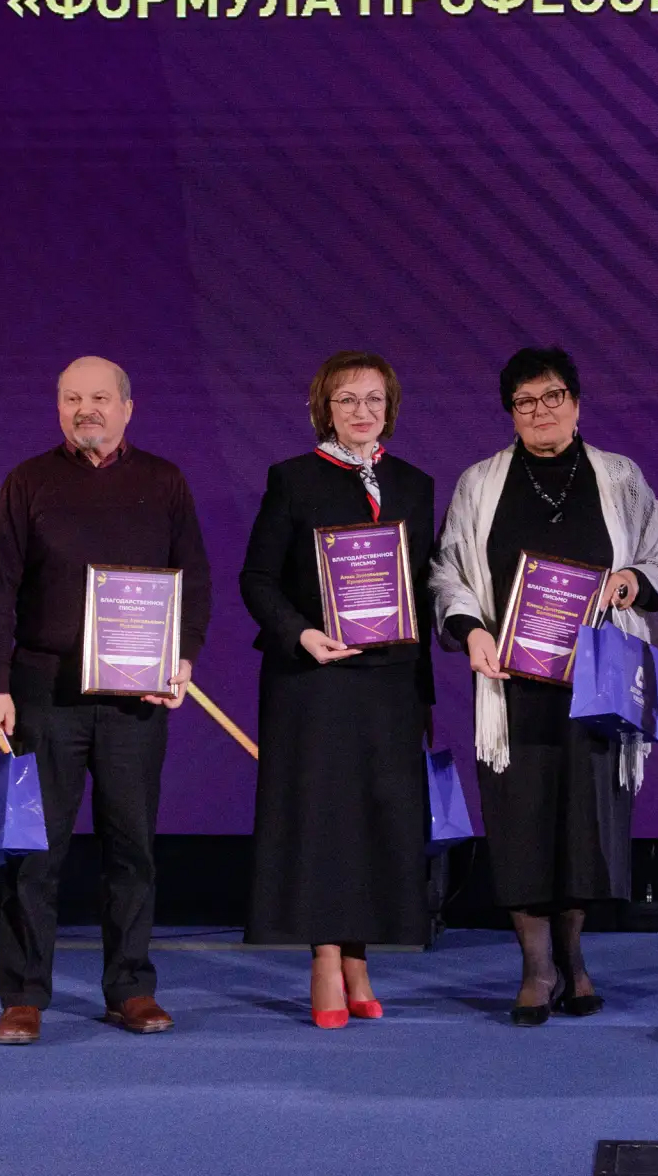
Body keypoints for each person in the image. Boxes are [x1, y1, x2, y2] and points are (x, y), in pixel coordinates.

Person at [432, 346, 658, 1026]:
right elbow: (448, 571)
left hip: (596, 685)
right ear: (509, 412)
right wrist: (471, 630)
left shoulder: (620, 477)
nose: (540, 411)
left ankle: (573, 961)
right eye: (525, 401)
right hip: (512, 687)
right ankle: (535, 969)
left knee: (583, 826)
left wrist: (631, 581)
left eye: (552, 397)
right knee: (521, 824)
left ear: (576, 402)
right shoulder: (479, 483)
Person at [0, 356, 212, 1044]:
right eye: (73, 398)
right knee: (35, 853)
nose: (88, 410)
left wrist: (182, 657)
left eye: (101, 398)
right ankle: (23, 996)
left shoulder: (164, 481)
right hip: (42, 693)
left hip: (135, 695)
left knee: (132, 849)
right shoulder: (28, 481)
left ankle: (131, 988)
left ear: (127, 408)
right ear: (59, 409)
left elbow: (194, 580)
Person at [239, 352, 436, 1028]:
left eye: (374, 399)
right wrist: (302, 634)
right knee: (322, 820)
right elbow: (258, 579)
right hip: (313, 681)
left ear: (391, 408)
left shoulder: (415, 484)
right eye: (347, 399)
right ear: (325, 408)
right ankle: (325, 957)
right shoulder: (292, 478)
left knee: (376, 822)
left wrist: (425, 691)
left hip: (389, 684)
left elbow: (421, 589)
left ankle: (358, 956)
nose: (361, 411)